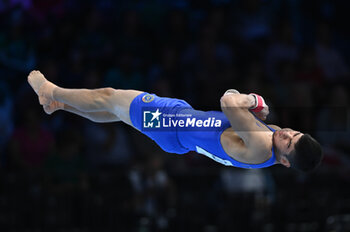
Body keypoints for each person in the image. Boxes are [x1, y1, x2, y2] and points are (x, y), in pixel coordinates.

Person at [27, 70, 323, 172]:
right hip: (182, 131)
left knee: (108, 96)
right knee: (116, 112)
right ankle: (59, 105)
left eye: (289, 142)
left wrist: (254, 101)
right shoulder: (269, 145)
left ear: (284, 162)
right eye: (294, 133)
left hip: (173, 122)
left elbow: (228, 100)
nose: (286, 133)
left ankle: (49, 90)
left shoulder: (261, 144)